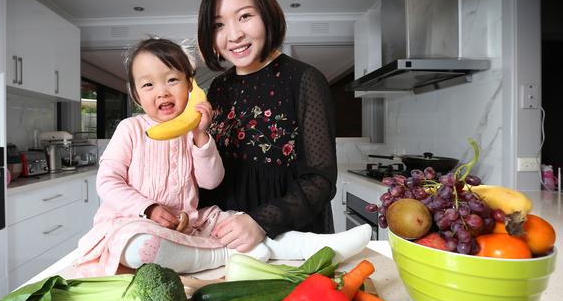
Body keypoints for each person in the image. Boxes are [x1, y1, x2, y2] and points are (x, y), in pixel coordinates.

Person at [73, 37, 370, 276]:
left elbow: (212, 181)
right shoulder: (131, 129)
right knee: (139, 246)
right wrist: (147, 208)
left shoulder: (195, 131)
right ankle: (223, 254)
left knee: (241, 223)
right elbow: (108, 181)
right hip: (133, 221)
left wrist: (202, 138)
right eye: (148, 84)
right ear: (137, 95)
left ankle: (319, 246)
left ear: (190, 86)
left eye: (171, 80)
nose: (161, 91)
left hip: (189, 220)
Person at [197, 0, 342, 255]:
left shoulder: (304, 79)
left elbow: (320, 180)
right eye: (219, 25)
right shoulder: (218, 88)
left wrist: (260, 222)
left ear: (267, 14)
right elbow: (212, 168)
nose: (234, 34)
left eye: (245, 16)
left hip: (289, 241)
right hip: (227, 241)